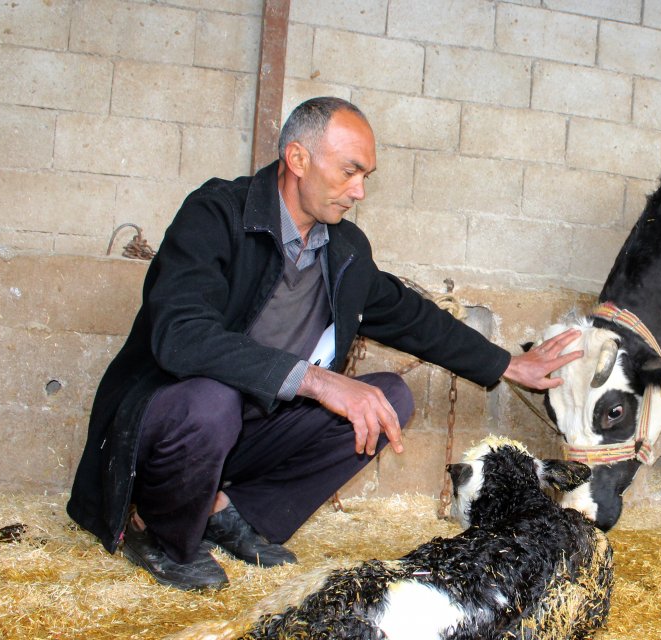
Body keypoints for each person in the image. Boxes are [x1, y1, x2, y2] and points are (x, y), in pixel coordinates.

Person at [66, 97, 582, 591]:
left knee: (387, 401)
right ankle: (156, 530)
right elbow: (181, 336)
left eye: (365, 178)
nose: (358, 191)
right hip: (173, 424)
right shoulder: (217, 214)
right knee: (212, 400)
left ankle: (226, 512)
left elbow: (411, 317)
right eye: (349, 171)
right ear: (297, 158)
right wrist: (316, 380)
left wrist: (508, 365)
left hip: (247, 432)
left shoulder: (345, 249)